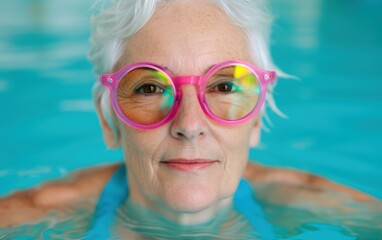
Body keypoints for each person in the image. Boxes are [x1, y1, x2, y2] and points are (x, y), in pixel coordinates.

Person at [0, 0, 377, 237]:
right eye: (149, 88)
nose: (190, 123)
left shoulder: (314, 203)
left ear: (257, 117)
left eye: (225, 87)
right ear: (107, 119)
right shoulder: (35, 216)